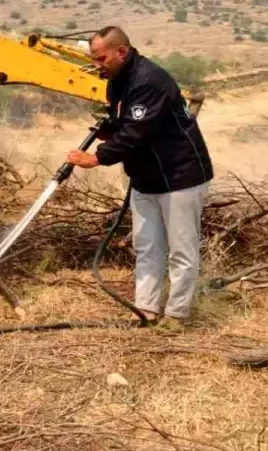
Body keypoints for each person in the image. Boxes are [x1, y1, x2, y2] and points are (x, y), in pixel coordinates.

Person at [66, 25, 213, 331]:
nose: (97, 64)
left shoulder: (149, 80)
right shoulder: (117, 81)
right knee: (147, 247)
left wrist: (97, 157)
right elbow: (124, 123)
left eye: (101, 57)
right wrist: (107, 129)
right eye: (94, 58)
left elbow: (136, 133)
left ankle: (176, 315)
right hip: (146, 178)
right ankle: (146, 309)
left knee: (181, 250)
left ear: (121, 51)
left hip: (179, 176)